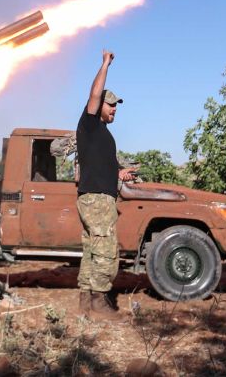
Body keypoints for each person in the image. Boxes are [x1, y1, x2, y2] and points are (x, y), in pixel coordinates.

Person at [75, 49, 137, 320]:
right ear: (98, 105)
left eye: (116, 105)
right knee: (105, 252)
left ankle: (85, 303)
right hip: (97, 200)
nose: (114, 108)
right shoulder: (89, 125)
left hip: (98, 197)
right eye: (110, 104)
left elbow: (101, 168)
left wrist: (120, 174)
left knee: (91, 251)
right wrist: (104, 65)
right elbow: (94, 94)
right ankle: (100, 305)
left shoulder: (103, 136)